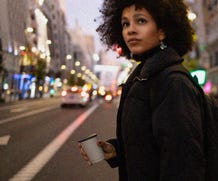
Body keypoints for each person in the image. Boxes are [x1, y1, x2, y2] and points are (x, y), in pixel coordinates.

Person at [79, 1, 205, 180]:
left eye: (141, 21)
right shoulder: (143, 77)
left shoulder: (172, 82)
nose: (130, 30)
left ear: (162, 30)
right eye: (125, 23)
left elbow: (184, 164)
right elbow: (151, 148)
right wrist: (116, 150)